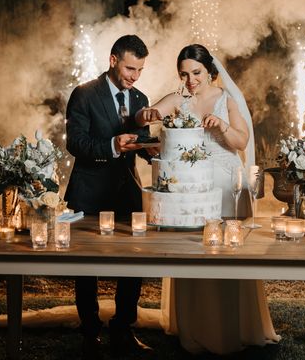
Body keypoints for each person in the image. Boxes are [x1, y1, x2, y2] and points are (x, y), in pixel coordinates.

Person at [136, 43, 280, 354]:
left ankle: (234, 327)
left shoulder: (225, 99)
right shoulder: (179, 99)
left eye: (196, 73)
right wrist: (145, 113)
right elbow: (149, 114)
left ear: (209, 71)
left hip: (226, 186)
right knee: (191, 252)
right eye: (184, 74)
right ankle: (195, 328)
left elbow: (241, 142)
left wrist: (223, 126)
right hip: (191, 186)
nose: (190, 80)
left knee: (228, 256)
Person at [64, 34, 153, 359]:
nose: (135, 76)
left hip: (128, 195)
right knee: (86, 268)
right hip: (89, 194)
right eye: (131, 68)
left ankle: (122, 329)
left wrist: (157, 151)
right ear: (113, 60)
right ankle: (90, 333)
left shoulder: (141, 97)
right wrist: (113, 146)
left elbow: (142, 144)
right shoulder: (84, 94)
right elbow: (75, 143)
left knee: (133, 264)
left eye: (140, 70)